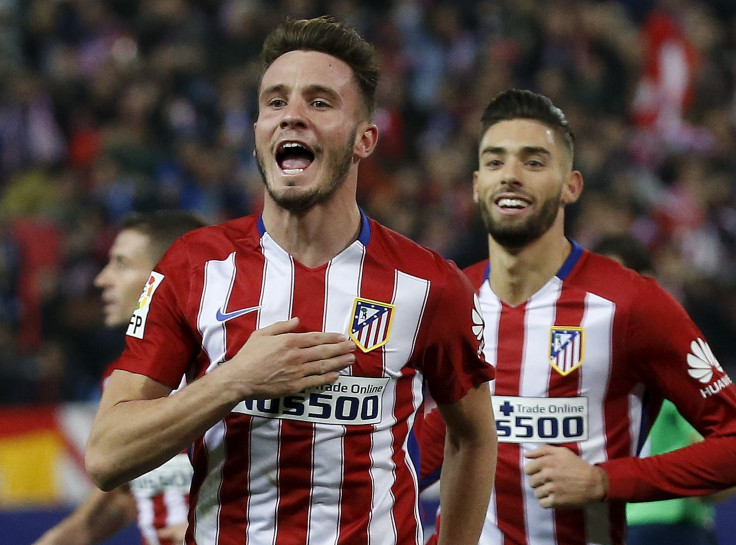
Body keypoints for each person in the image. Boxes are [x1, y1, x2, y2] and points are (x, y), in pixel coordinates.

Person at [84, 16, 497, 545]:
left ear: (364, 140)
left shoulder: (428, 283)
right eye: (275, 102)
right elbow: (106, 456)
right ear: (257, 130)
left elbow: (475, 439)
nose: (291, 117)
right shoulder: (193, 266)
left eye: (320, 102)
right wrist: (234, 381)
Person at [419, 89, 736, 545]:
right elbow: (435, 439)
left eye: (533, 162)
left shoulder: (631, 304)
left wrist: (604, 481)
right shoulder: (449, 301)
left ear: (571, 185)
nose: (510, 175)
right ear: (475, 184)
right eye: (494, 161)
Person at [32, 210, 206, 545]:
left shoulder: (237, 370)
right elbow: (117, 502)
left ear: (170, 275)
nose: (102, 279)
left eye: (121, 264)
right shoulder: (120, 381)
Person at [592, 234, 725, 545]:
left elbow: (721, 447)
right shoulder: (578, 364)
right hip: (601, 526)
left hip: (668, 528)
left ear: (647, 282)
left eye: (614, 279)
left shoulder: (673, 355)